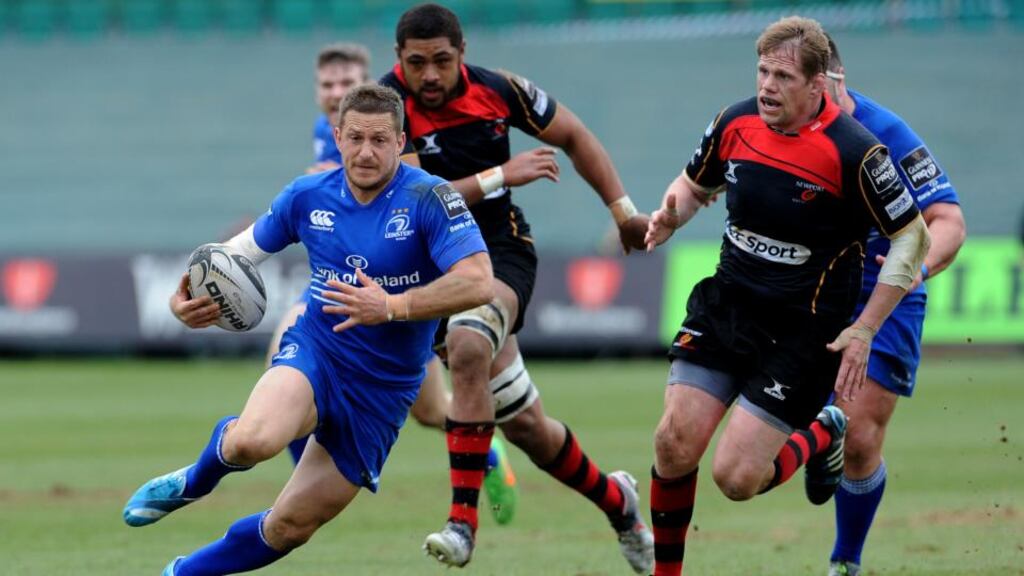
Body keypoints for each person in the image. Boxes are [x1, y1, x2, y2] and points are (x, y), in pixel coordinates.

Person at [122, 85, 495, 576]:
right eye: (355, 137)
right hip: (319, 353)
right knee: (250, 442)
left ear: (401, 140)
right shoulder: (306, 195)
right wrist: (184, 298)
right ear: (337, 137)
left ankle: (181, 573)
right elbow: (234, 255)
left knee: (289, 527)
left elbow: (478, 281)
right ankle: (195, 480)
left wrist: (393, 305)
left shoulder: (431, 198)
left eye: (380, 140)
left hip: (383, 393)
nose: (366, 151)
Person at [642, 16, 931, 576]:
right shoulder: (735, 121)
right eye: (762, 71)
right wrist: (670, 214)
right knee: (673, 442)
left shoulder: (858, 153)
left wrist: (864, 328)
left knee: (736, 479)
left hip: (803, 330)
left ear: (817, 84)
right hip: (728, 304)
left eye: (782, 76)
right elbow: (693, 183)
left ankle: (823, 432)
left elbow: (913, 236)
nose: (766, 86)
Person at [378, 4, 654, 572]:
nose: (429, 75)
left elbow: (574, 135)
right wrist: (503, 174)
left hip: (499, 254)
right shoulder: (388, 107)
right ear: (397, 59)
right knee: (527, 428)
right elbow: (415, 202)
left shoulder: (501, 91)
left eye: (442, 62)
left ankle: (462, 524)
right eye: (416, 63)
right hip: (430, 267)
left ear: (462, 52)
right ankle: (618, 502)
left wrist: (623, 210)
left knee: (470, 344)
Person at [272, 44, 519, 526]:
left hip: (393, 291)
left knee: (432, 411)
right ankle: (309, 486)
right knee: (283, 375)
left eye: (346, 84)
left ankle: (487, 455)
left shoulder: (383, 132)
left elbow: (416, 196)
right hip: (343, 286)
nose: (336, 92)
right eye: (327, 85)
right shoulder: (327, 131)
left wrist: (498, 177)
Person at [822, 36, 965, 576]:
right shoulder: (780, 128)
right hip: (810, 290)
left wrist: (914, 272)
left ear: (835, 77)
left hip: (886, 294)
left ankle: (846, 561)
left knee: (856, 437)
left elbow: (949, 222)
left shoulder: (888, 135)